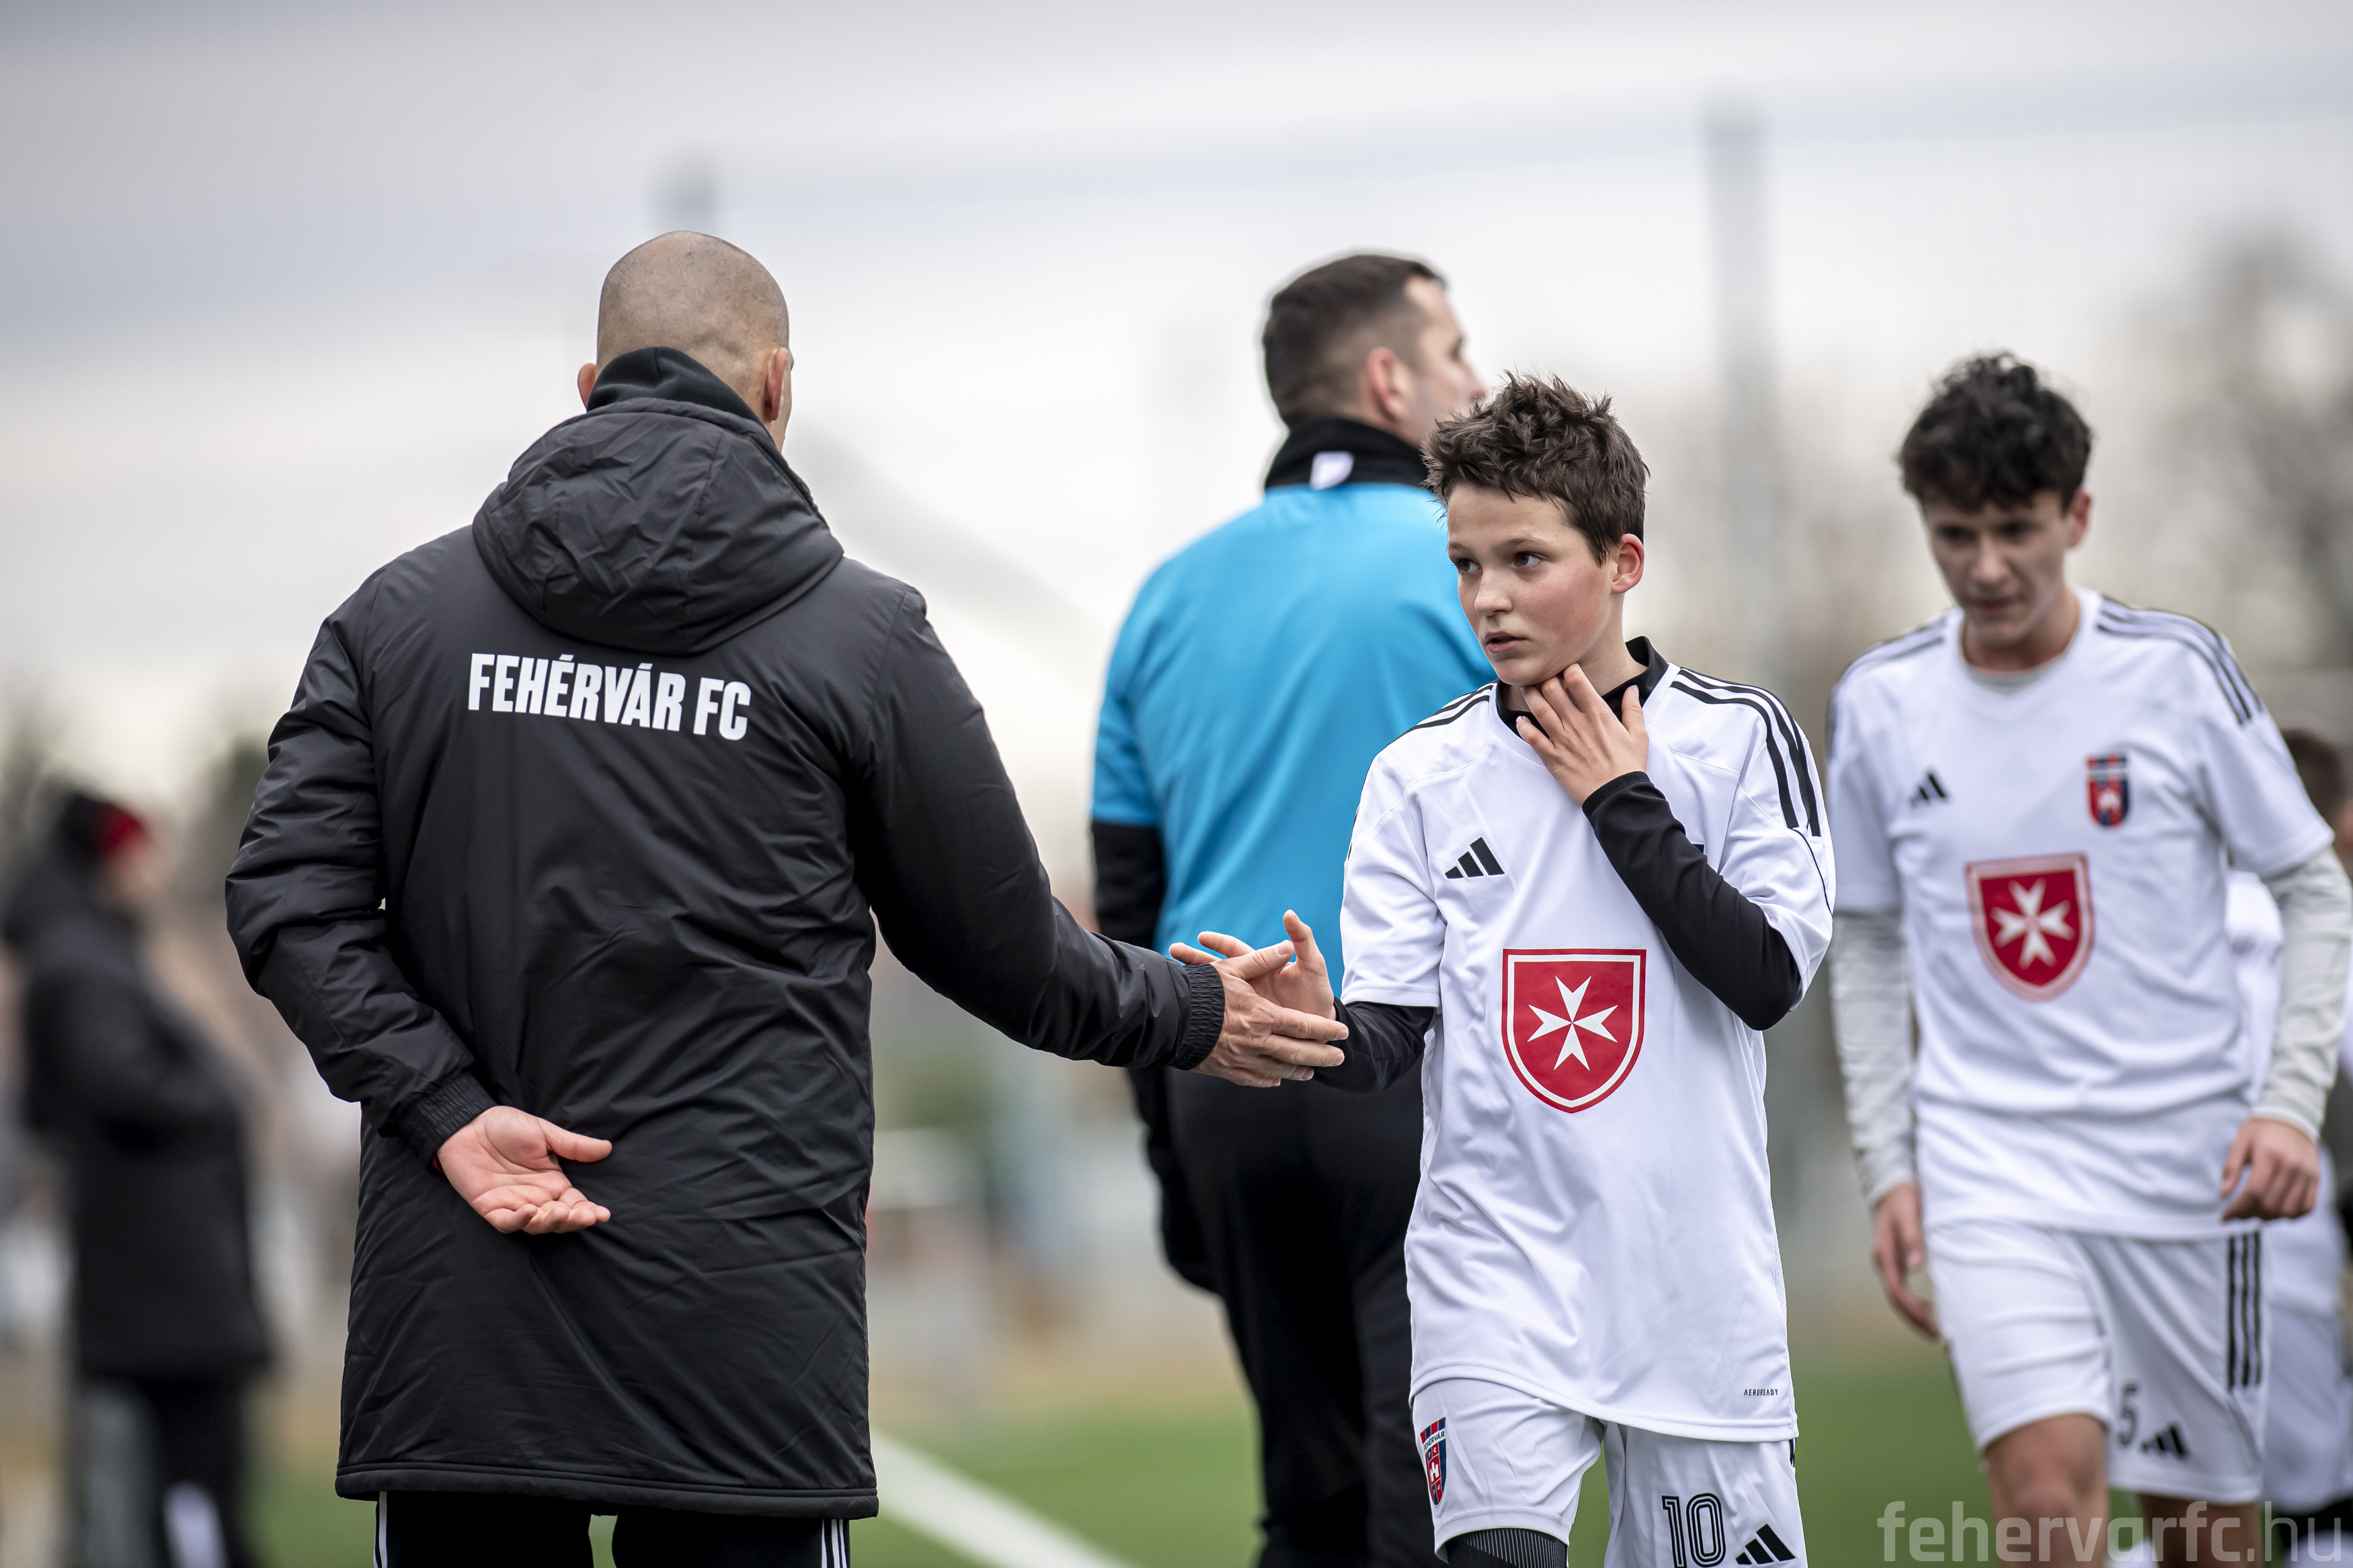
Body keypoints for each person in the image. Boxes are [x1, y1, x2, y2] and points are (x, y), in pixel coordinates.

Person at [223, 231, 1347, 1567]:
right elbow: (1003, 949)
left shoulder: (399, 617)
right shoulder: (860, 634)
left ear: (589, 386)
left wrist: (445, 1108)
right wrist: (1192, 1007)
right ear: (776, 385)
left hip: (470, 1311)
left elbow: (287, 898)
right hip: (739, 1318)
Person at [1229, 373, 1834, 1567]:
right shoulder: (1418, 774)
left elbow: (1767, 977)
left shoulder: (1737, 737)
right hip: (1493, 1279)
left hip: (1692, 1293)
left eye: (1525, 559)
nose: (1489, 597)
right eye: (1466, 564)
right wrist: (1319, 1028)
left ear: (1623, 561)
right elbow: (1390, 1037)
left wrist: (1620, 800)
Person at [1827, 355, 2353, 1565]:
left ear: (2078, 515)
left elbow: (2314, 887)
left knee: (2203, 1538)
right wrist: (1892, 1164)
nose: (1986, 566)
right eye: (1955, 534)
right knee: (2044, 1505)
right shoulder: (1883, 701)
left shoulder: (2175, 674)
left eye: (2016, 529)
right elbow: (1867, 941)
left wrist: (2286, 1104)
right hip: (1991, 1165)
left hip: (2185, 1167)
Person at [1090, 251, 1490, 1568]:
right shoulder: (1481, 569)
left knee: (1309, 1506)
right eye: (1454, 351)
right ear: (1389, 380)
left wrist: (1168, 1147)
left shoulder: (1163, 596)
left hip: (1224, 1088)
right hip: (1415, 1083)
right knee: (1439, 1502)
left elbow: (1129, 901)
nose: (1476, 379)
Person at [5, 792, 271, 1568]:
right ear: (110, 858)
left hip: (159, 1272)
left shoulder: (91, 953)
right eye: (144, 853)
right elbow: (118, 1080)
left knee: (193, 1473)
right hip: (159, 1276)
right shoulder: (82, 963)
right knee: (189, 1479)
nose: (156, 870)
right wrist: (216, 1102)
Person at [2223, 731, 2353, 1561]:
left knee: (2194, 1511)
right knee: (2320, 1512)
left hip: (2143, 1246)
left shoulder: (2164, 911)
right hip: (2285, 1247)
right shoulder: (2321, 922)